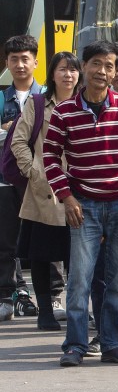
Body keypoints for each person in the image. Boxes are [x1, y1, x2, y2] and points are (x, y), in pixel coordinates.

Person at [44, 40, 118, 367]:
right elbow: (50, 157)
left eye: (110, 66)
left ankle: (112, 345)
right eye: (96, 64)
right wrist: (66, 197)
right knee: (80, 279)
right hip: (83, 207)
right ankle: (75, 346)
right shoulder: (64, 111)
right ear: (84, 67)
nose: (103, 72)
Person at [11, 52, 80, 330]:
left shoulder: (85, 104)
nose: (68, 75)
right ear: (52, 74)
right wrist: (36, 173)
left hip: (79, 189)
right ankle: (45, 312)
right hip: (44, 191)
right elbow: (18, 142)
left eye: (73, 70)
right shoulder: (37, 103)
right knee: (40, 254)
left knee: (77, 254)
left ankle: (76, 308)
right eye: (62, 69)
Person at [0, 34, 44, 321]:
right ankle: (6, 294)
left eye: (25, 58)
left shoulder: (45, 96)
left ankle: (51, 296)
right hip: (5, 180)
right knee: (5, 240)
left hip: (41, 179)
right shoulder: (1, 97)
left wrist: (11, 130)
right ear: (6, 63)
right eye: (14, 59)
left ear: (35, 62)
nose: (19, 64)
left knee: (45, 235)